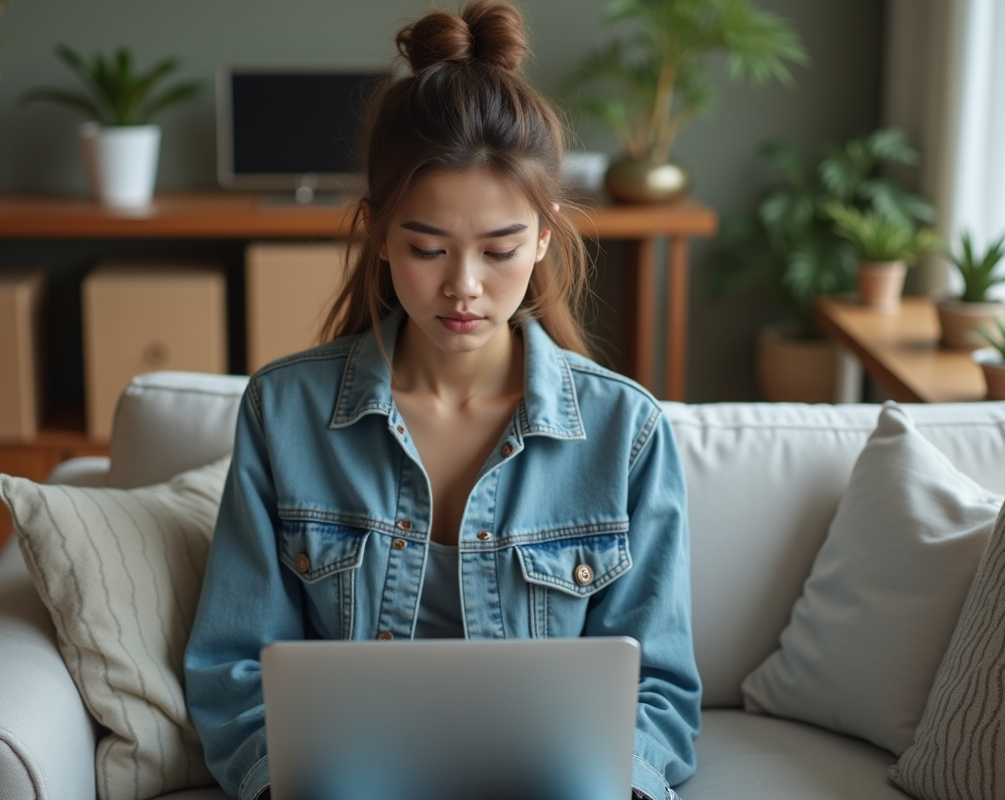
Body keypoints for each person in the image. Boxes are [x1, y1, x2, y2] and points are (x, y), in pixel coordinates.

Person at [184, 2, 701, 798]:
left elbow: (660, 691)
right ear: (378, 234)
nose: (463, 286)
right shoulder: (283, 414)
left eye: (498, 250)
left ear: (543, 239)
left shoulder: (626, 432)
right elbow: (233, 670)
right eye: (427, 248)